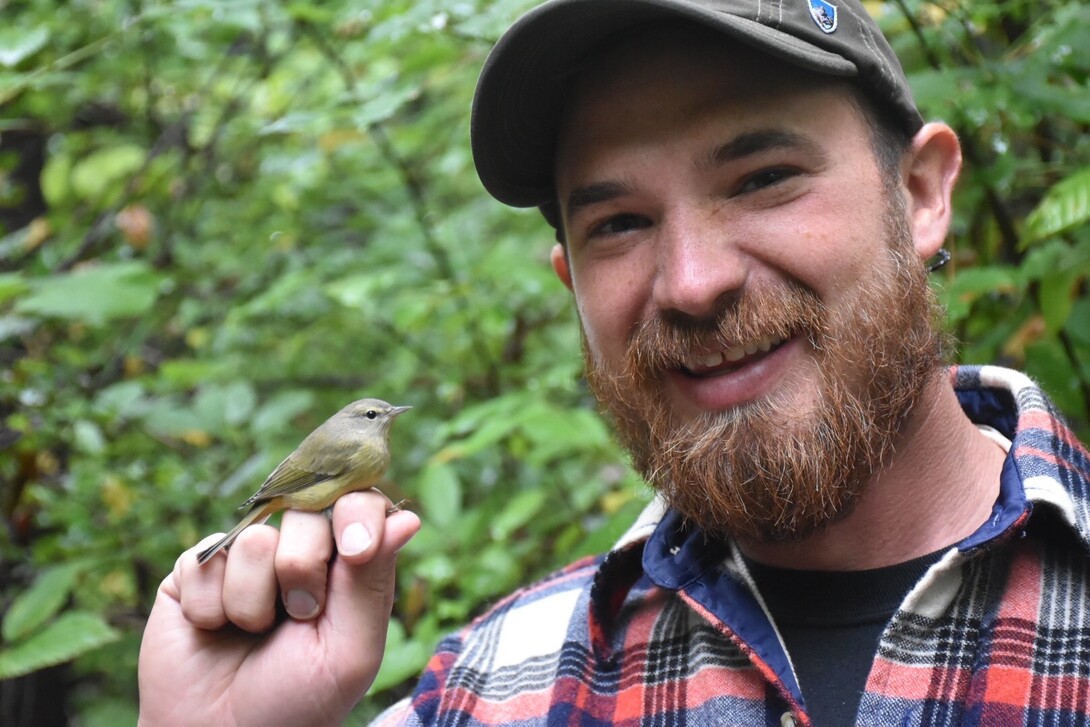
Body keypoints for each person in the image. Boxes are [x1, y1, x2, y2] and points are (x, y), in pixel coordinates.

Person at [138, 0, 1090, 725]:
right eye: (620, 223)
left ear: (920, 196)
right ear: (571, 285)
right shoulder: (485, 696)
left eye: (764, 178)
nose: (692, 282)